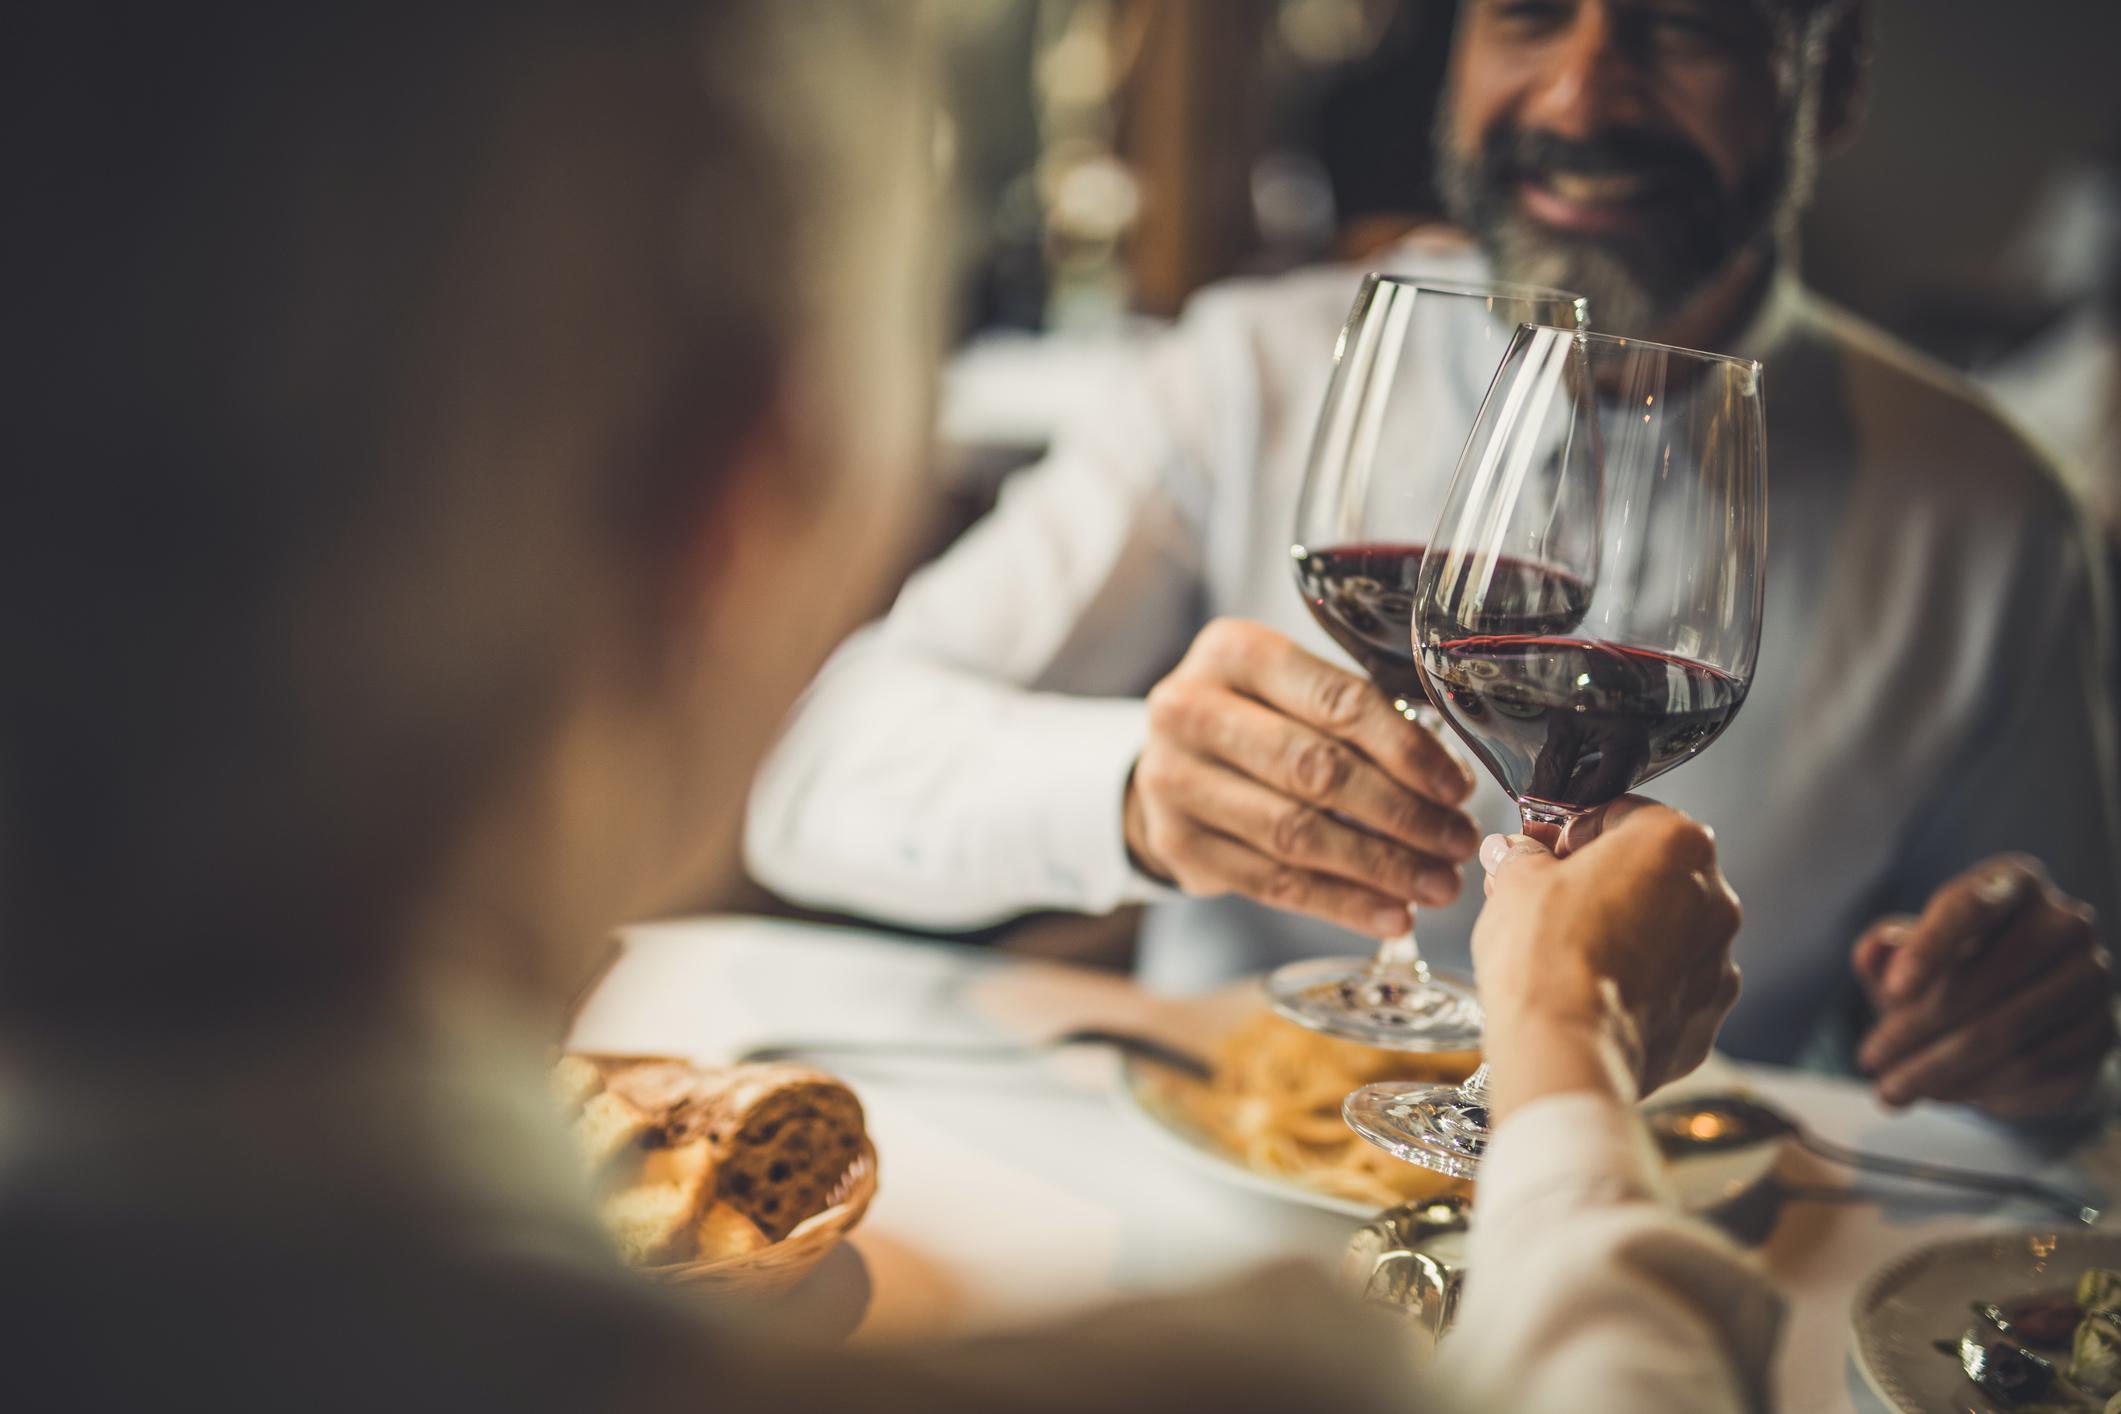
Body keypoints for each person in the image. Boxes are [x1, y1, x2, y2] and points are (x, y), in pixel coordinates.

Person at [3, 3, 1779, 1409]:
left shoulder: (1990, 522)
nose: (1587, 79)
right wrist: (1566, 1071)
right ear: (735, 492)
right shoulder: (1244, 1385)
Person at [746, 0, 2121, 1120]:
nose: (1584, 95)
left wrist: (2021, 1030)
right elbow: (812, 779)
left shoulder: (1992, 515)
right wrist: (1131, 794)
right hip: (1219, 1212)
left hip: (1664, 1253)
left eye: (1683, 27)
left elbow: (2050, 1060)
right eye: (1526, 15)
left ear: (1825, 85)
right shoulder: (1247, 375)